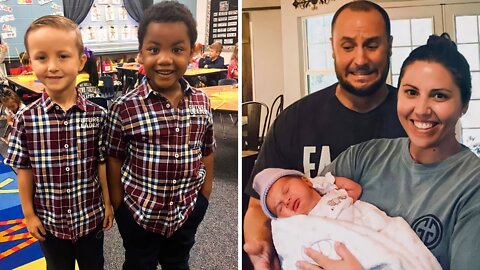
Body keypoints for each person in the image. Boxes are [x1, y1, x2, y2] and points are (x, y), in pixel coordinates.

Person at [243, 1, 406, 268]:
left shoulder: (412, 120)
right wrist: (262, 247)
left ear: (389, 45)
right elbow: (256, 208)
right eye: (348, 46)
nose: (361, 59)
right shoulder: (294, 121)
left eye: (372, 45)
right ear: (332, 48)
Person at [297, 33, 480, 270]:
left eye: (439, 96)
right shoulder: (362, 158)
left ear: (464, 105)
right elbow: (299, 216)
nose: (422, 109)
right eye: (411, 92)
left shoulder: (472, 186)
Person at [105, 2, 215, 269]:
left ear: (192, 53)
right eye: (154, 49)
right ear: (141, 54)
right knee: (139, 264)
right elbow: (114, 159)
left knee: (178, 262)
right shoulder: (125, 106)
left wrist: (204, 196)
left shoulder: (202, 101)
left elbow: (207, 149)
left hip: (186, 211)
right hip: (139, 214)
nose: (165, 59)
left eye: (177, 49)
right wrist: (121, 208)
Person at [4, 15, 113, 270]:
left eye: (63, 56)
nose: (52, 66)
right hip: (49, 222)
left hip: (90, 219)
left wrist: (107, 203)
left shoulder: (97, 116)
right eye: (42, 57)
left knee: (94, 265)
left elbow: (101, 164)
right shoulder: (26, 119)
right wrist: (29, 214)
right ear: (31, 62)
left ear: (81, 61)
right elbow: (24, 170)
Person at [254, 168, 441, 270]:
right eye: (280, 208)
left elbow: (355, 189)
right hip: (337, 250)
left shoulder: (332, 195)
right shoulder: (300, 225)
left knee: (398, 238)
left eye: (287, 190)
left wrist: (324, 182)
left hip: (370, 232)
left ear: (305, 181)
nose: (286, 200)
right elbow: (294, 251)